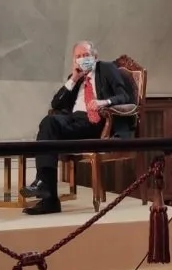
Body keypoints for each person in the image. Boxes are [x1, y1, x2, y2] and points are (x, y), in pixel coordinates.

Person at [20, 41, 134, 215]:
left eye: (86, 55)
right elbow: (56, 103)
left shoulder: (106, 69)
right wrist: (74, 78)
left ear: (94, 57)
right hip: (73, 120)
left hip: (95, 120)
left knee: (50, 126)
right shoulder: (76, 78)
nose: (83, 59)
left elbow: (124, 96)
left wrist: (103, 102)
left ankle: (47, 195)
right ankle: (47, 193)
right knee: (49, 122)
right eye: (78, 57)